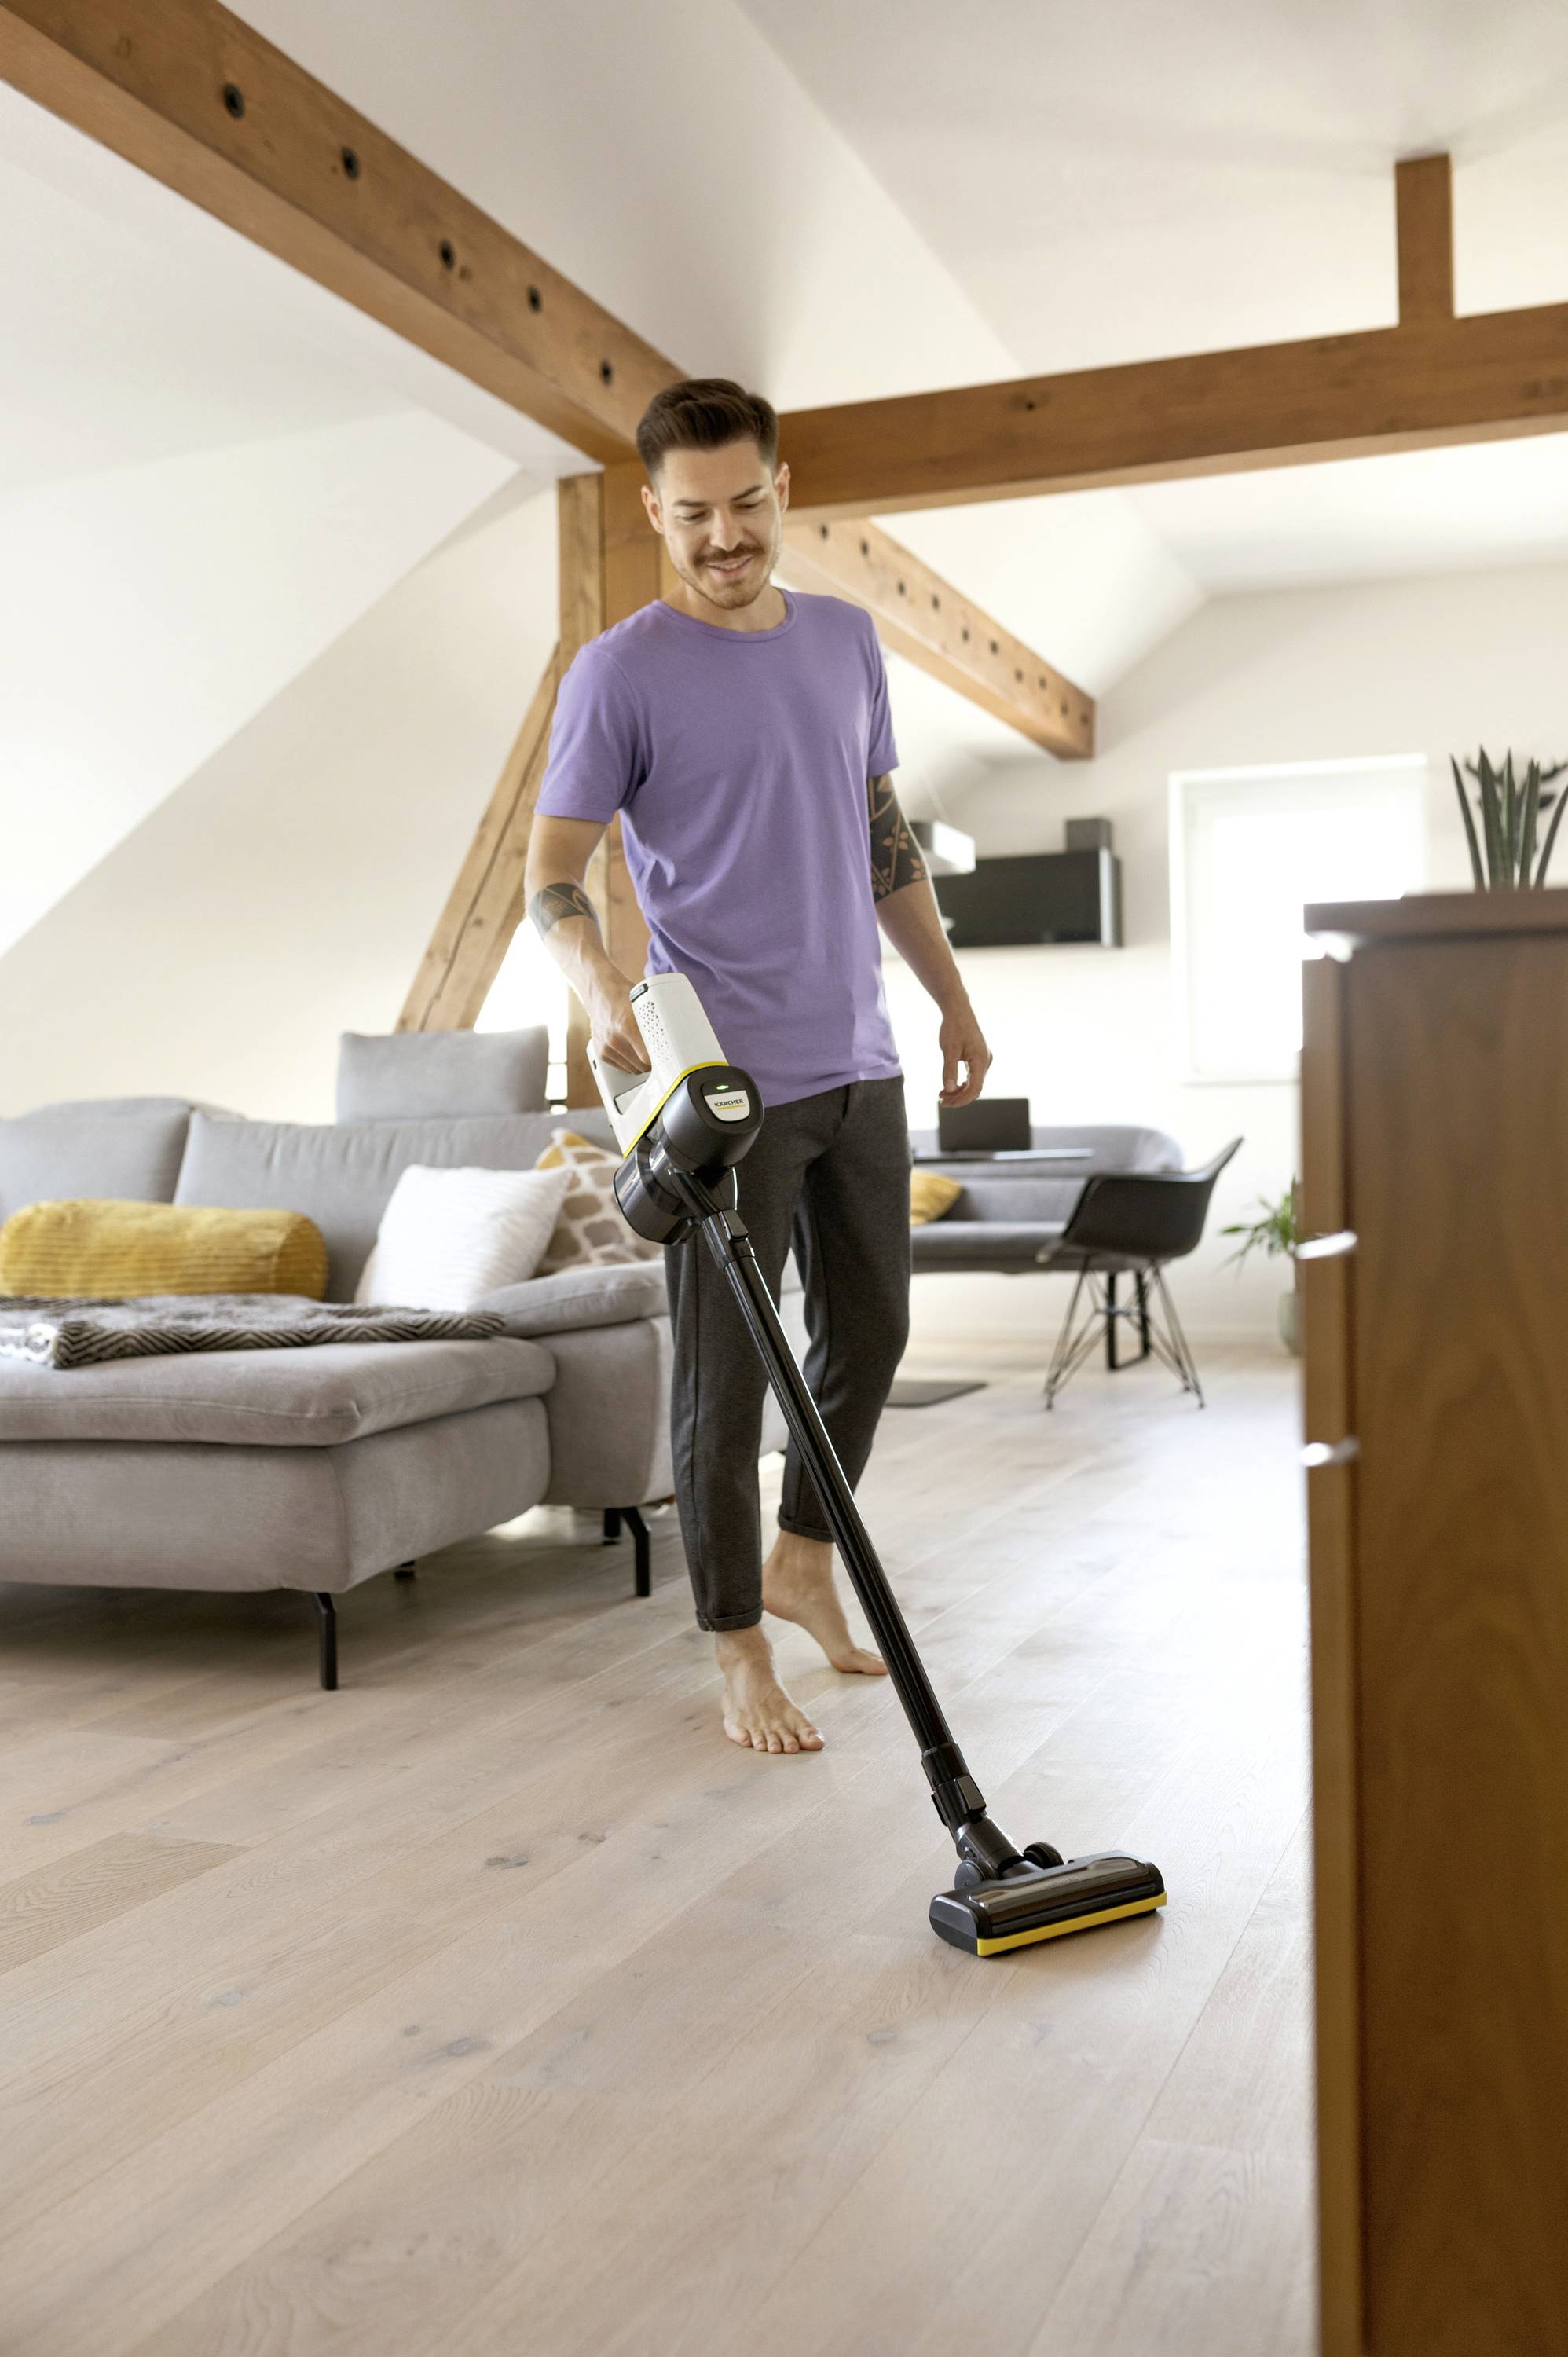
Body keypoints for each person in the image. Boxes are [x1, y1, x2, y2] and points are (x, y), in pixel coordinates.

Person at [525, 378, 991, 1754]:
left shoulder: (847, 642)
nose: (722, 537)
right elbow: (551, 873)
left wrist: (952, 1000)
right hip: (721, 1080)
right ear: (655, 515)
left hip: (860, 1055)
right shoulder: (622, 671)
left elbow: (881, 840)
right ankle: (734, 1644)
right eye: (691, 517)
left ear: (783, 488)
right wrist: (599, 980)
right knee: (727, 1383)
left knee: (874, 1338)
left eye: (743, 505)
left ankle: (803, 1560)